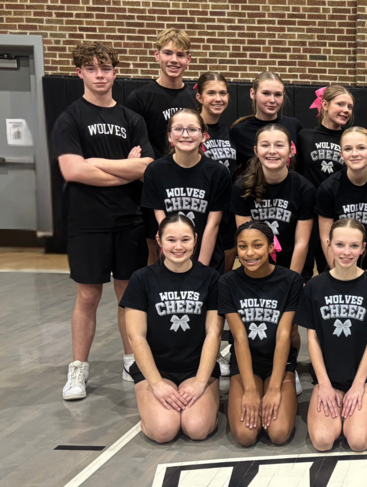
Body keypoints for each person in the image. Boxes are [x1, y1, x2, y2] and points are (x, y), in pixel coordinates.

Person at [53, 42, 154, 400]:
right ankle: (78, 368)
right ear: (79, 72)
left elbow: (146, 167)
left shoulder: (131, 119)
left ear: (115, 72)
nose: (100, 75)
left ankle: (131, 358)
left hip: (128, 219)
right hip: (87, 221)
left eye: (106, 68)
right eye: (92, 68)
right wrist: (125, 169)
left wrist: (96, 163)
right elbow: (72, 170)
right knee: (88, 295)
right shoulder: (70, 117)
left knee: (128, 294)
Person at [120, 215, 222, 443]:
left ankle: (206, 407)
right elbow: (136, 336)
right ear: (159, 240)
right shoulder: (141, 279)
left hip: (196, 368)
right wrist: (156, 384)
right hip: (156, 370)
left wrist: (200, 382)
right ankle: (154, 412)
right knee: (163, 430)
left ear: (195, 240)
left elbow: (213, 334)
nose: (178, 247)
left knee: (197, 429)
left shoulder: (211, 278)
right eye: (171, 240)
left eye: (185, 239)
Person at [297, 219, 367, 451]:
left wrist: (359, 385)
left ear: (363, 248)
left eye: (354, 246)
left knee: (358, 441)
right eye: (340, 244)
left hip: (362, 376)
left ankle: (366, 404)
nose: (346, 252)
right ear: (328, 244)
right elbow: (312, 339)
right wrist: (324, 384)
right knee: (323, 441)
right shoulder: (315, 286)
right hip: (328, 375)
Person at [218, 221, 303, 446]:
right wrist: (249, 390)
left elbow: (284, 334)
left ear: (271, 247)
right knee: (246, 435)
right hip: (246, 363)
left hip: (280, 361)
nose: (249, 253)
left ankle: (285, 382)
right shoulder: (227, 282)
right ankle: (253, 386)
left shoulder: (291, 280)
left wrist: (274, 389)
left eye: (257, 245)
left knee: (278, 433)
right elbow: (239, 338)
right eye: (242, 246)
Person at [124, 28, 198, 266]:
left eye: (180, 54)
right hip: (154, 185)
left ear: (188, 59)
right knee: (155, 248)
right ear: (156, 55)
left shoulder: (195, 98)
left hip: (191, 184)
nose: (174, 60)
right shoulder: (140, 97)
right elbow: (136, 151)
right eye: (168, 53)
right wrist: (146, 174)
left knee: (189, 245)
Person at [141, 109, 230, 272]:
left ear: (204, 136)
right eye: (178, 129)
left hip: (207, 258)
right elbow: (162, 223)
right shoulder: (155, 171)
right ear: (169, 136)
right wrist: (172, 260)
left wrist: (201, 270)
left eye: (192, 129)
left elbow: (213, 224)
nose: (185, 135)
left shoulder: (218, 172)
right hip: (171, 258)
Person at [231, 124, 315, 277]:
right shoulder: (241, 187)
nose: (272, 151)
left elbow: (301, 243)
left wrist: (292, 281)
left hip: (294, 267)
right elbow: (247, 240)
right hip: (256, 267)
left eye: (279, 145)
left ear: (291, 151)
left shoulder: (305, 188)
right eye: (265, 145)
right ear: (256, 151)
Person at [316, 127, 367, 275]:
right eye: (348, 149)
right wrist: (338, 272)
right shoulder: (328, 188)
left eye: (361, 148)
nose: (354, 153)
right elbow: (326, 237)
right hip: (335, 265)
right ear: (341, 154)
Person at [299, 84, 355, 280]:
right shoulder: (304, 136)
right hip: (307, 213)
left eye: (349, 107)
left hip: (336, 212)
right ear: (324, 104)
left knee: (332, 266)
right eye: (340, 104)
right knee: (305, 266)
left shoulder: (350, 138)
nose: (346, 110)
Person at [196, 72, 238, 273]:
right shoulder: (189, 129)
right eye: (211, 93)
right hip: (199, 208)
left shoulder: (230, 131)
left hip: (226, 210)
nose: (218, 98)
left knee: (223, 277)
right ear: (199, 97)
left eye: (222, 93)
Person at [230, 71, 303, 172]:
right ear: (253, 93)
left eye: (278, 94)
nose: (272, 100)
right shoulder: (239, 131)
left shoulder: (294, 125)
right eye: (266, 93)